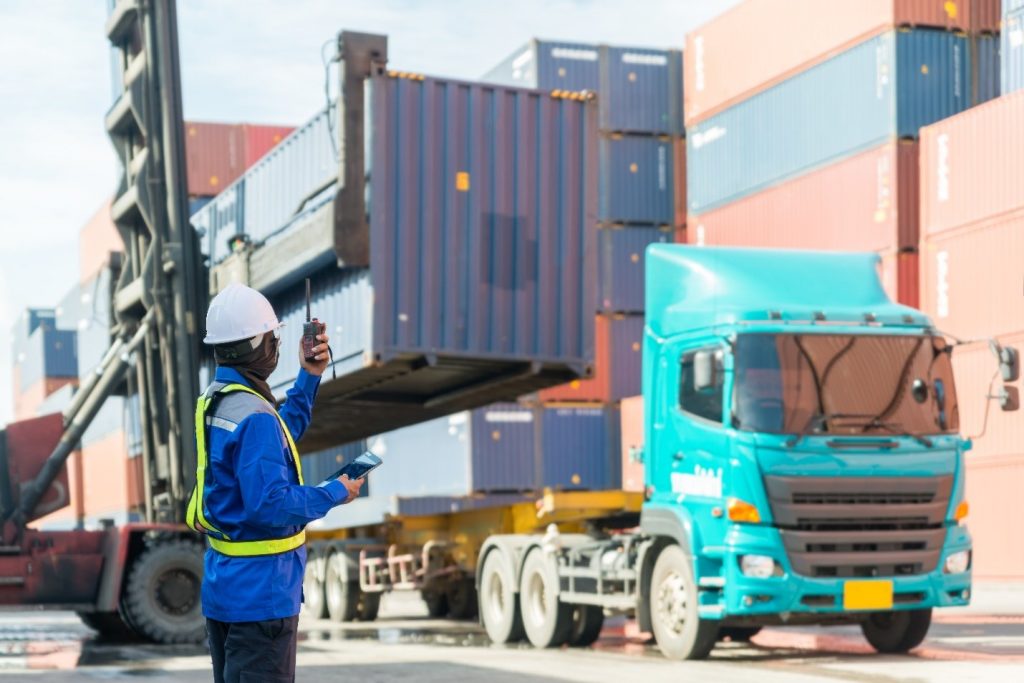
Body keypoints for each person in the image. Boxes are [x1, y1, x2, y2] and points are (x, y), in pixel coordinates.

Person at [186, 282, 363, 683]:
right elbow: (270, 504)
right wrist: (336, 491)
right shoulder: (254, 414)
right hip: (261, 599)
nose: (277, 346)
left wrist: (309, 377)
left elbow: (276, 441)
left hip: (226, 590)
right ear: (257, 345)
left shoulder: (221, 400)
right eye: (273, 338)